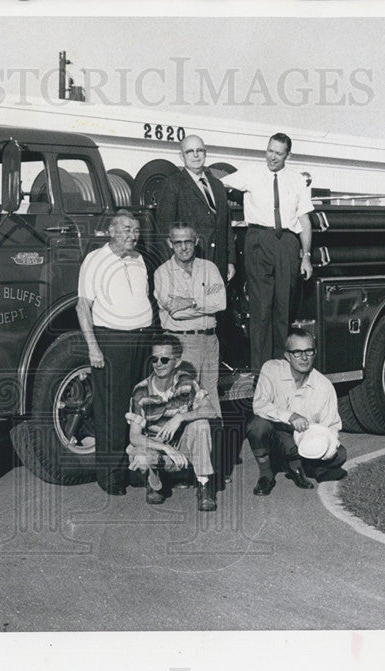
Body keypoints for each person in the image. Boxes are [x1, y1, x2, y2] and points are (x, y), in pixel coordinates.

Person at [221, 133, 314, 372]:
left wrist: (306, 256)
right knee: (260, 309)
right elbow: (218, 182)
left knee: (282, 310)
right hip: (258, 241)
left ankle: (281, 369)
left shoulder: (297, 180)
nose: (272, 157)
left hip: (287, 243)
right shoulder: (251, 173)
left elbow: (304, 219)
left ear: (288, 155)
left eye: (278, 153)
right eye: (270, 151)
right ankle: (260, 371)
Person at [76, 210, 153, 496]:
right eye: (126, 229)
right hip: (112, 342)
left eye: (135, 230)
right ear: (111, 231)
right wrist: (93, 347)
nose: (132, 235)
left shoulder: (139, 259)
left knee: (137, 408)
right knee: (112, 409)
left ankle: (134, 470)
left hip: (141, 339)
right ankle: (110, 477)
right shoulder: (95, 260)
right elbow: (82, 307)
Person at [246, 329, 347, 495]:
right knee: (257, 425)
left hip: (302, 440)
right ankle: (266, 474)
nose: (304, 357)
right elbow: (259, 404)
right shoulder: (271, 369)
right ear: (287, 355)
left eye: (309, 351)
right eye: (297, 352)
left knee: (339, 453)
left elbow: (332, 426)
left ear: (315, 353)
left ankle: (298, 467)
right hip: (276, 435)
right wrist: (290, 416)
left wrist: (327, 444)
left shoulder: (324, 385)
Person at [126, 335, 218, 511]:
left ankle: (204, 485)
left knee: (201, 424)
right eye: (154, 358)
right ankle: (154, 481)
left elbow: (210, 411)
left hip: (182, 446)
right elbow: (134, 437)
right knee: (141, 457)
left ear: (176, 362)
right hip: (157, 448)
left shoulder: (186, 382)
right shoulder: (141, 391)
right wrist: (166, 448)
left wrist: (180, 418)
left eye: (164, 359)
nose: (158, 364)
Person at [153, 221, 227, 419]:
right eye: (178, 243)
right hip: (181, 342)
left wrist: (190, 302)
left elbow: (221, 303)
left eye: (188, 241)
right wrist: (204, 306)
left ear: (196, 241)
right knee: (185, 398)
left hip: (210, 342)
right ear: (170, 243)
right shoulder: (162, 273)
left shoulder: (209, 268)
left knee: (210, 398)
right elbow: (175, 313)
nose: (183, 247)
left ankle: (213, 447)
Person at [155, 135, 235, 284]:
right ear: (181, 156)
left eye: (200, 150)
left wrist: (230, 261)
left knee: (217, 304)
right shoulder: (172, 185)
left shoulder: (217, 186)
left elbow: (226, 226)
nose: (196, 155)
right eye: (190, 151)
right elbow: (165, 230)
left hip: (219, 263)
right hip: (189, 264)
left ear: (205, 153)